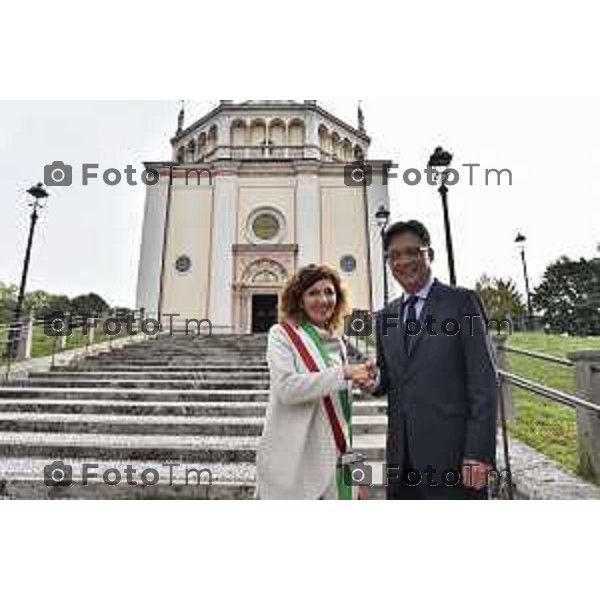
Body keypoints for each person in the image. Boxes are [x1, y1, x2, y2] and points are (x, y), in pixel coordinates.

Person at [366, 220, 499, 500]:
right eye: (395, 255)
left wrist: (478, 452)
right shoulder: (385, 317)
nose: (404, 261)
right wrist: (374, 378)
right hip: (402, 460)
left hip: (455, 457)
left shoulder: (463, 302)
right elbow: (389, 377)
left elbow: (484, 381)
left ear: (431, 254)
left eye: (413, 252)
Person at [256, 264, 373, 500]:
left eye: (329, 292)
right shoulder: (282, 334)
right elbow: (287, 389)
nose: (323, 299)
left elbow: (339, 409)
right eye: (313, 293)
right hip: (297, 460)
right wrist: (346, 374)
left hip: (335, 458)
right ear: (299, 300)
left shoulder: (337, 342)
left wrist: (363, 382)